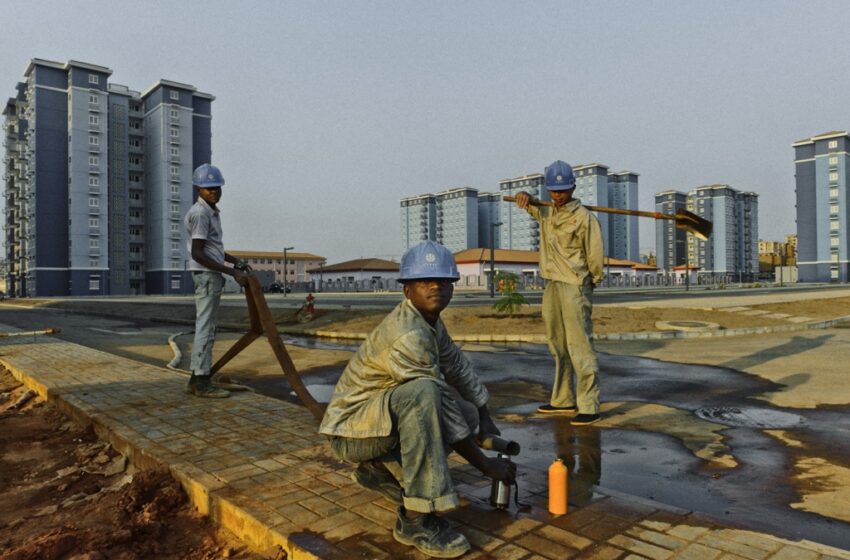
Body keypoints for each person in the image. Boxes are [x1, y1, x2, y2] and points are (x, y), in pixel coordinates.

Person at [319, 240, 515, 559]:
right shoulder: (408, 333)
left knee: (465, 412)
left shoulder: (431, 323)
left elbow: (456, 365)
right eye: (424, 281)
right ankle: (416, 519)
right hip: (350, 434)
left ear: (452, 287)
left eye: (442, 281)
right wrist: (485, 466)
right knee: (427, 396)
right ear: (407, 289)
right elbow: (438, 405)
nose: (435, 287)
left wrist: (484, 413)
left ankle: (376, 468)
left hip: (375, 422)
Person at [513, 160, 604, 426]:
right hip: (551, 282)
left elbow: (595, 255)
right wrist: (527, 197)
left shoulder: (585, 217)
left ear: (573, 187)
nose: (558, 194)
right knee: (557, 343)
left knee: (580, 345)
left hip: (575, 283)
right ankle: (563, 400)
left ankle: (589, 404)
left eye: (562, 190)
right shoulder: (546, 212)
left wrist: (590, 282)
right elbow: (528, 204)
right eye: (553, 190)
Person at [183, 163, 250, 398]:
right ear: (198, 189)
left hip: (210, 273)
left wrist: (235, 261)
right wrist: (232, 272)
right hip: (207, 275)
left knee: (207, 327)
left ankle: (196, 379)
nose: (214, 192)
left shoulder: (209, 212)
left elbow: (211, 249)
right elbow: (198, 253)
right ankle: (201, 382)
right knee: (206, 328)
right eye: (208, 188)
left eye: (217, 188)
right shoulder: (201, 214)